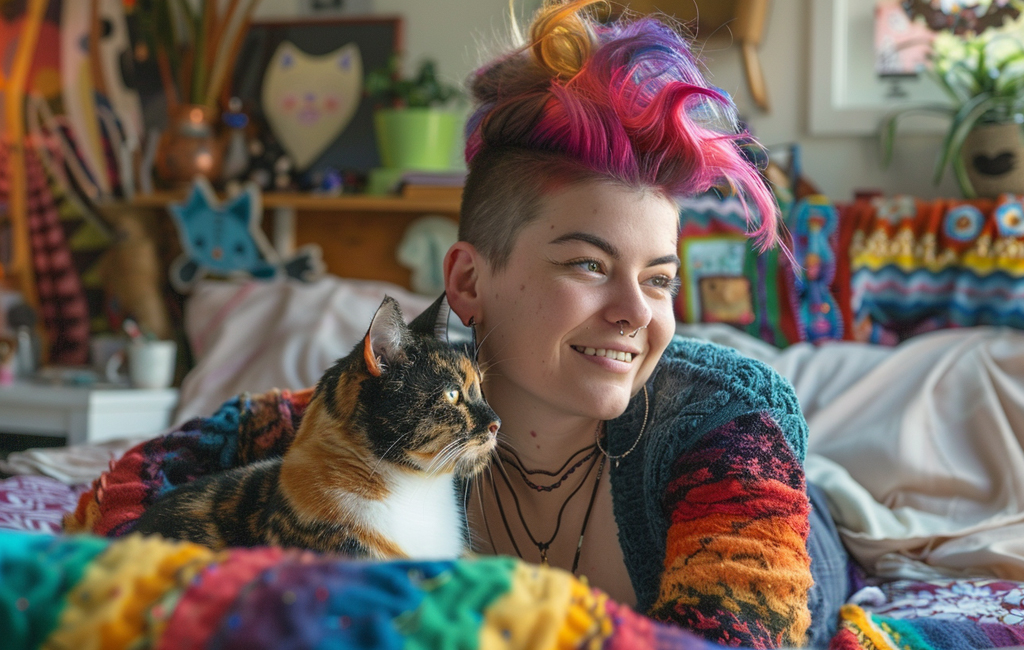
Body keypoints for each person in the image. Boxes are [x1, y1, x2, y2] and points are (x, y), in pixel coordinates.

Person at [429, 1, 850, 647]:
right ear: (466, 282)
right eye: (588, 264)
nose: (636, 312)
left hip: (794, 522)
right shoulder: (397, 400)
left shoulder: (730, 426)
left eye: (659, 280)